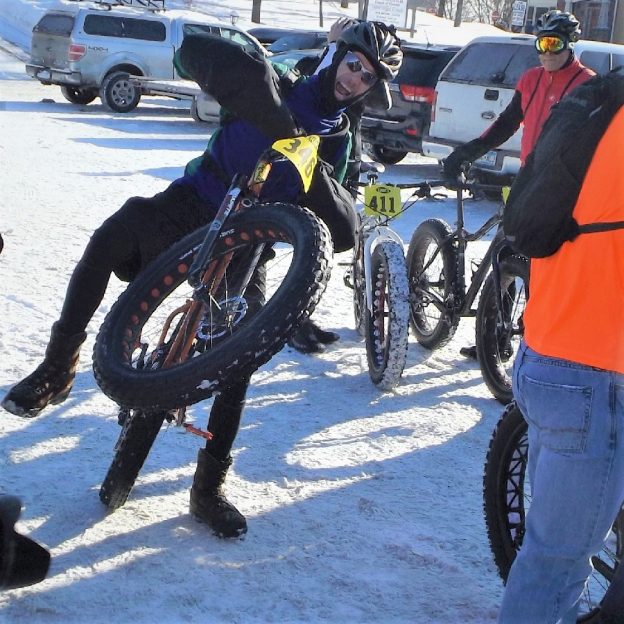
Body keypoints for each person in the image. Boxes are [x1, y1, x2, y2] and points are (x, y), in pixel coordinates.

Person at [2, 22, 403, 538]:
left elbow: (340, 220)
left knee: (239, 363)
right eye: (353, 64)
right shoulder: (278, 80)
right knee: (110, 238)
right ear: (336, 55)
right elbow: (196, 52)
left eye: (367, 77)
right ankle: (58, 366)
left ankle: (208, 487)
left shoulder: (339, 137)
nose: (354, 80)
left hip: (251, 240)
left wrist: (312, 167)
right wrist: (269, 105)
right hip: (197, 199)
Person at [499, 70, 624, 623]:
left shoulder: (602, 101)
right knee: (555, 567)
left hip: (549, 352)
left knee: (554, 553)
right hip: (598, 375)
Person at [443, 9, 595, 360]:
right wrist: (467, 151)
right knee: (505, 254)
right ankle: (493, 335)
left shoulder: (587, 84)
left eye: (554, 43)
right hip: (528, 180)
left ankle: (536, 342)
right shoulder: (530, 79)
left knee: (542, 266)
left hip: (564, 188)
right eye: (541, 43)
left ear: (570, 45)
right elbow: (506, 124)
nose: (546, 51)